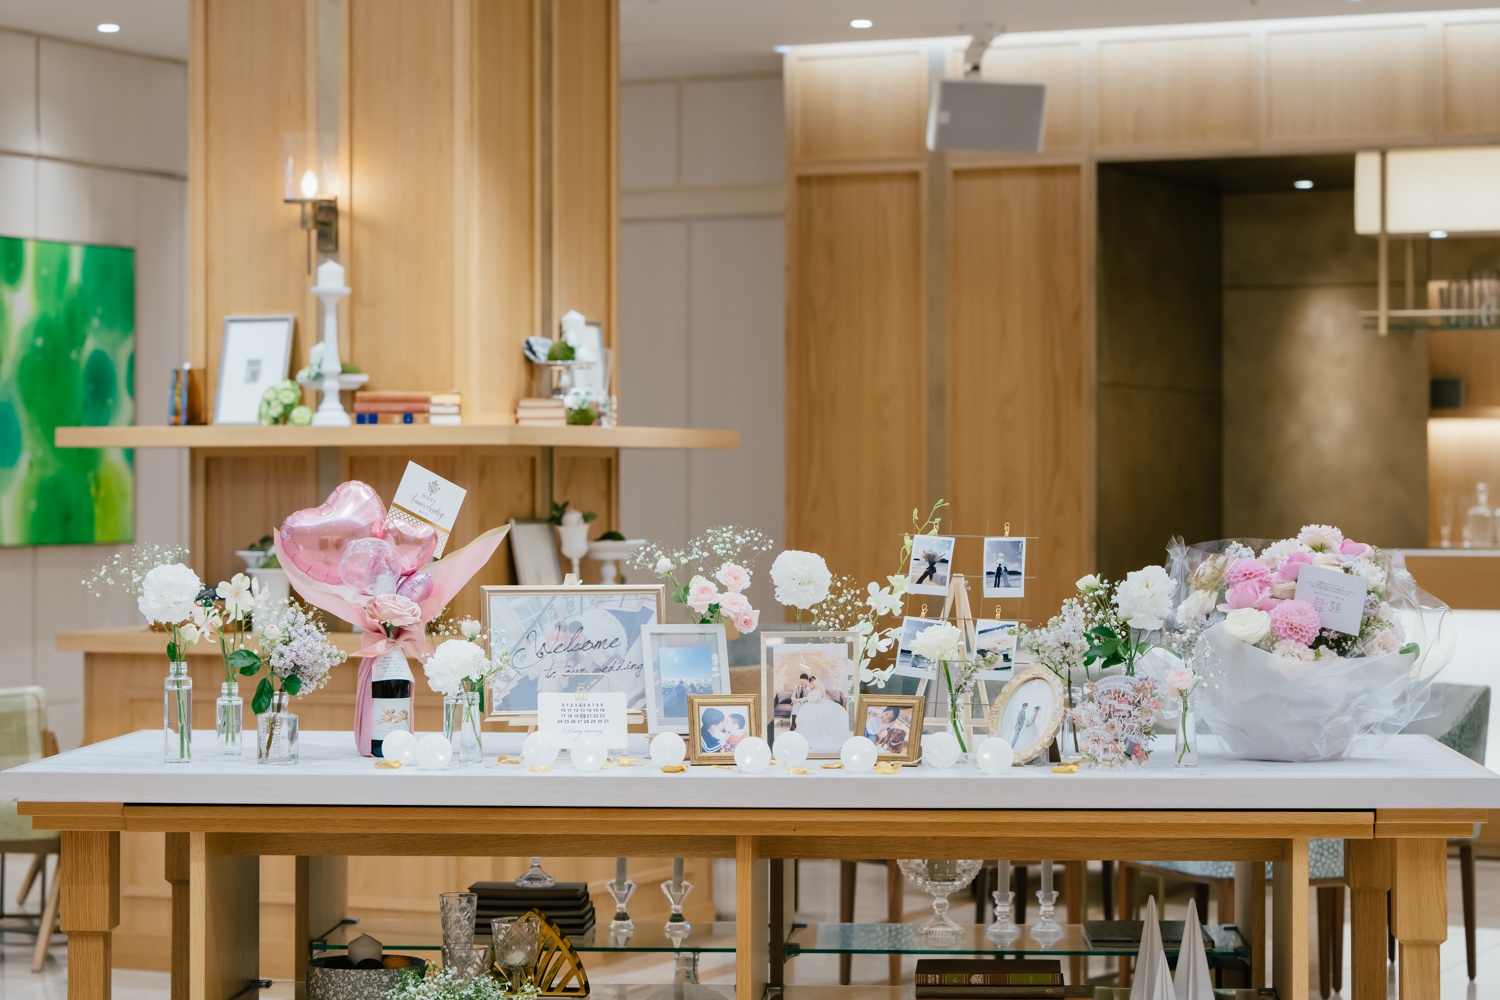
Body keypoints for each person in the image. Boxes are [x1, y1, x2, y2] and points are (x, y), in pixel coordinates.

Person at [794, 671, 851, 751]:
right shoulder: (810, 689)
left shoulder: (820, 687)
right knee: (807, 714)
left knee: (825, 713)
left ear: (815, 680)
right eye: (811, 681)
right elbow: (808, 698)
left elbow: (824, 697)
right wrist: (801, 700)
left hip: (820, 702)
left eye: (813, 681)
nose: (812, 682)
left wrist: (820, 701)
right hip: (811, 704)